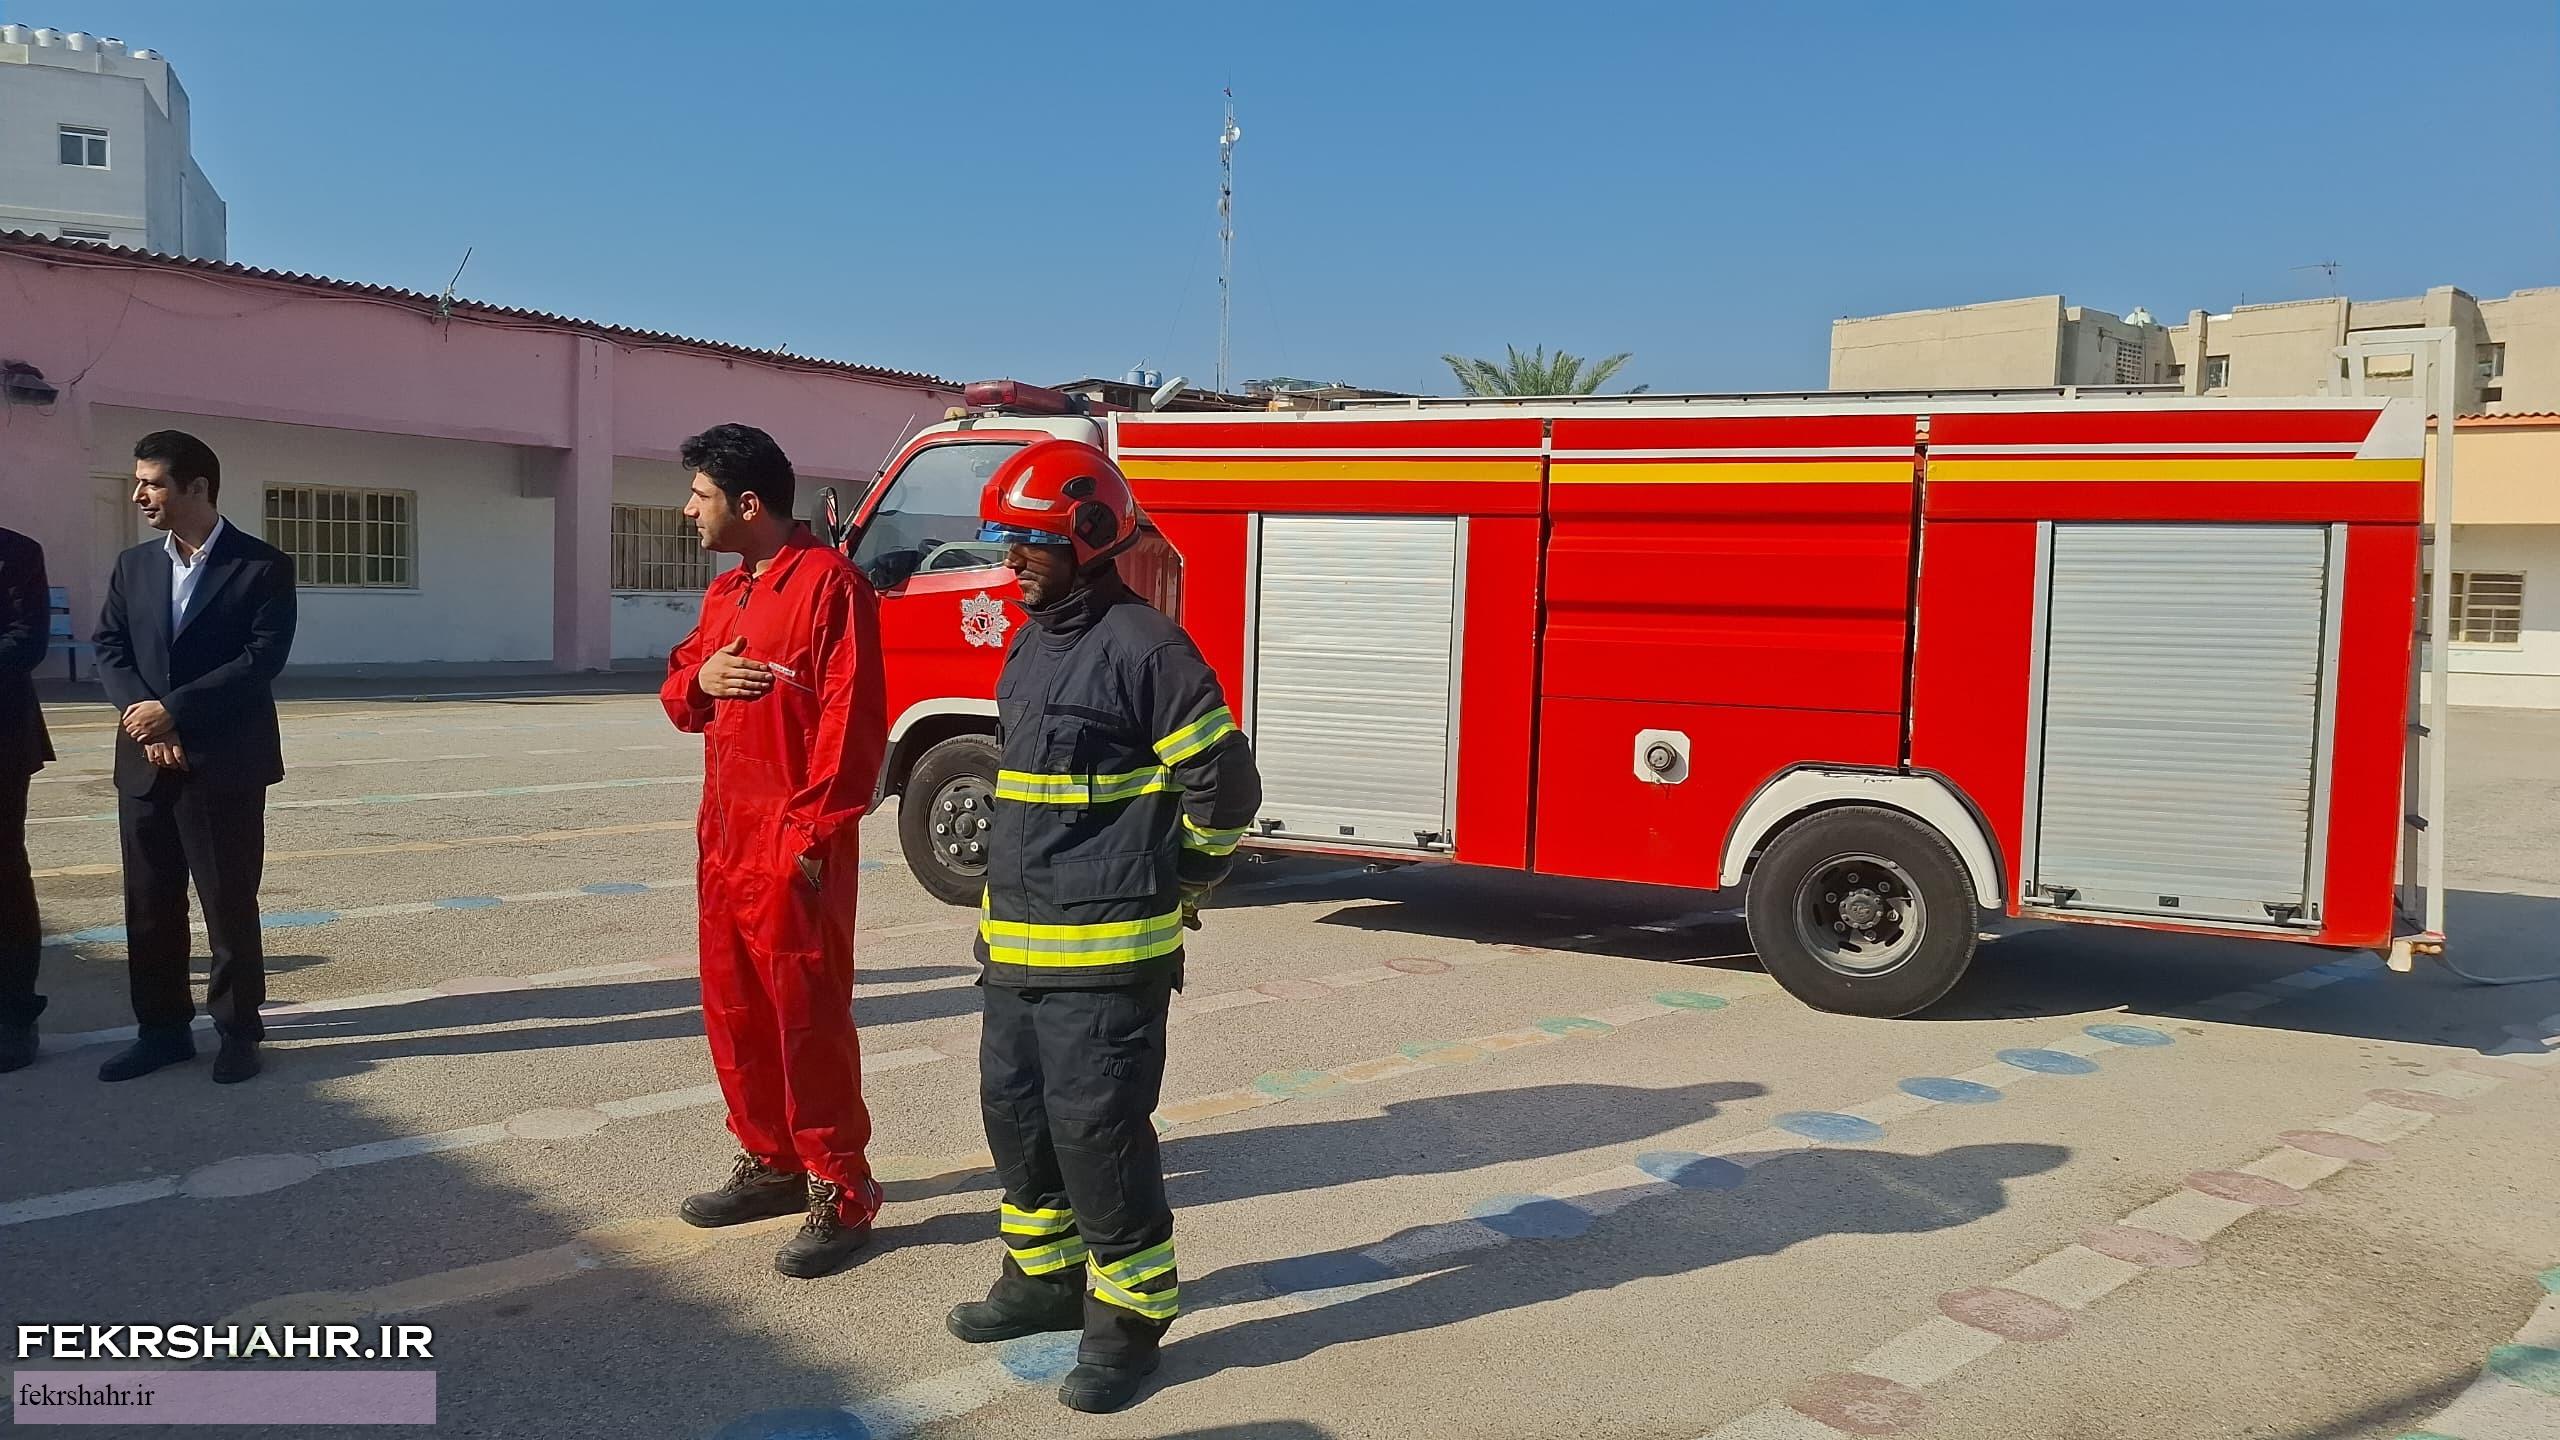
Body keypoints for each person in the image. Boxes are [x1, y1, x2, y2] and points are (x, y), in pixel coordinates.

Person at [944, 439, 1262, 1414]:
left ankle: (1128, 1323)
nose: (1012, 559)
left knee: (1099, 1138)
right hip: (1019, 952)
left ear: (1087, 537)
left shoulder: (1147, 650)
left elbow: (1227, 788)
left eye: (1029, 541)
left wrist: (1187, 879)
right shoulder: (1033, 636)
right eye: (1005, 539)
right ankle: (1041, 1282)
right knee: (1020, 1124)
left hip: (1107, 959)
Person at [659, 422, 889, 1279]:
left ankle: (842, 1183)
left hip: (795, 845)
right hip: (726, 840)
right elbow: (680, 695)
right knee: (735, 1008)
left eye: (700, 496)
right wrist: (701, 680)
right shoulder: (729, 594)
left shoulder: (830, 587)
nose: (687, 510)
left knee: (806, 1018)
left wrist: (811, 837)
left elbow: (853, 724)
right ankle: (772, 1160)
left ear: (747, 503)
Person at [91, 430, 297, 1085]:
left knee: (227, 901)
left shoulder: (261, 566)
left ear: (196, 488)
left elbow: (260, 659)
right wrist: (145, 720)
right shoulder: (134, 567)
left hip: (223, 761)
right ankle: (162, 1031)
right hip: (145, 759)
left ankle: (238, 1030)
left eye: (151, 482)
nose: (139, 494)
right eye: (139, 481)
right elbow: (110, 647)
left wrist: (174, 709)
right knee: (149, 902)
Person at [0, 526, 54, 1073]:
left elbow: (26, 639)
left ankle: (14, 1013)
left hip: (1, 739)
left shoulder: (15, 552)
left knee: (4, 874)